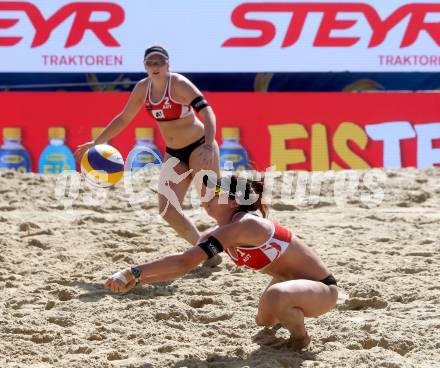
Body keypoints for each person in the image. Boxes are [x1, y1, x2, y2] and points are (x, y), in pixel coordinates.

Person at [104, 174, 338, 350]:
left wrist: (131, 271)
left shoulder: (247, 225)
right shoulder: (220, 231)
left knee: (275, 297)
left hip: (323, 289)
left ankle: (300, 339)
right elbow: (182, 265)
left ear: (235, 202)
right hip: (287, 281)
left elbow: (185, 262)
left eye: (215, 194)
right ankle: (288, 310)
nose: (206, 198)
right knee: (264, 321)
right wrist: (137, 278)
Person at [74, 45, 221, 248]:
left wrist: (208, 145)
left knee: (212, 204)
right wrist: (97, 141)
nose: (155, 66)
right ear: (145, 66)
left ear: (168, 64)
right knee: (167, 209)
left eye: (159, 61)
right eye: (151, 62)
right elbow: (124, 118)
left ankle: (246, 230)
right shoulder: (143, 88)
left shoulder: (178, 84)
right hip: (175, 154)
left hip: (199, 146)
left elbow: (207, 113)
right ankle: (206, 249)